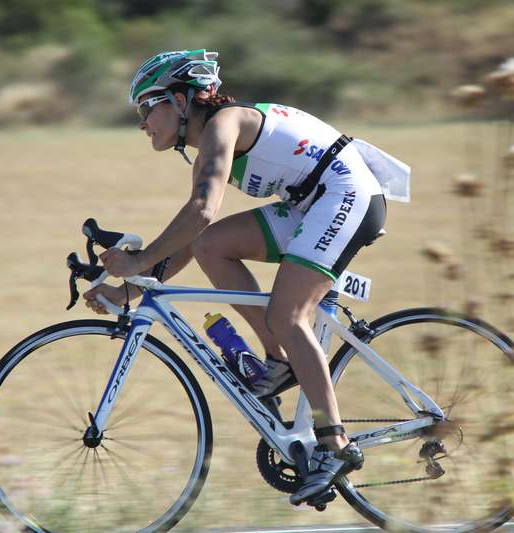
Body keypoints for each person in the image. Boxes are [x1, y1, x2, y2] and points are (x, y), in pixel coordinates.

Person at [82, 49, 408, 506]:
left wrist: (137, 264)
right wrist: (129, 288)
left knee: (288, 314)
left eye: (146, 107)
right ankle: (280, 362)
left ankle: (335, 447)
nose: (142, 122)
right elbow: (195, 236)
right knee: (212, 246)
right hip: (312, 201)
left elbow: (200, 210)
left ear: (179, 100)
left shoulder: (222, 126)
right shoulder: (212, 138)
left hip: (345, 196)